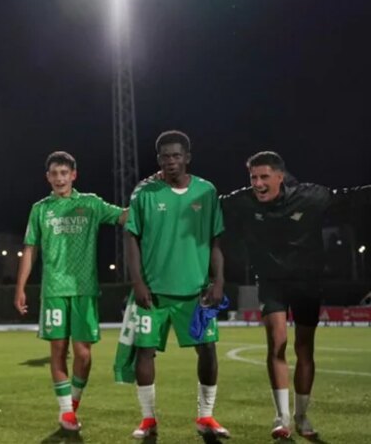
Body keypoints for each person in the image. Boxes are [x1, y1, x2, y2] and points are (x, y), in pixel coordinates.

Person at [220, 151, 371, 439]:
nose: (258, 183)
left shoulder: (310, 197)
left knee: (304, 349)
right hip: (271, 282)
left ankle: (302, 417)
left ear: (280, 176)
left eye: (264, 177)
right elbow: (203, 202)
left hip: (307, 282)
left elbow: (352, 197)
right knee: (277, 342)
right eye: (253, 177)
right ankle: (282, 418)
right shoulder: (242, 200)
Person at [124, 131, 228, 439]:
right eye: (165, 156)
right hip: (153, 292)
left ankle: (206, 417)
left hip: (196, 291)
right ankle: (148, 420)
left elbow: (215, 239)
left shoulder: (206, 192)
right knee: (144, 352)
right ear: (158, 160)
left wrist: (218, 280)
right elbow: (131, 236)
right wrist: (138, 282)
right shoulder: (144, 192)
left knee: (207, 350)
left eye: (176, 155)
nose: (171, 161)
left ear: (187, 157)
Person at [14, 151, 127, 432]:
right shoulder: (40, 209)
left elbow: (124, 217)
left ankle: (72, 404)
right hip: (53, 290)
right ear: (48, 177)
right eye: (54, 174)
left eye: (64, 173)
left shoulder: (90, 204)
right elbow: (30, 249)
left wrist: (150, 196)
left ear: (73, 175)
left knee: (84, 355)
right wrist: (20, 288)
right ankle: (66, 412)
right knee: (58, 350)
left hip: (84, 290)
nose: (59, 178)